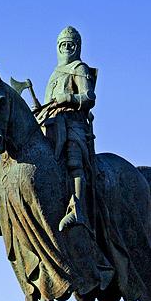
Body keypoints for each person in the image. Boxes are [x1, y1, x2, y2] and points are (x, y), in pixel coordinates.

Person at [36, 26, 97, 235]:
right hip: (51, 121)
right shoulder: (54, 73)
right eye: (62, 45)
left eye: (70, 44)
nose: (66, 48)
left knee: (73, 159)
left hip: (73, 123)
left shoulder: (79, 68)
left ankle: (77, 208)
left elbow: (89, 98)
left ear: (77, 46)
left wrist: (69, 98)